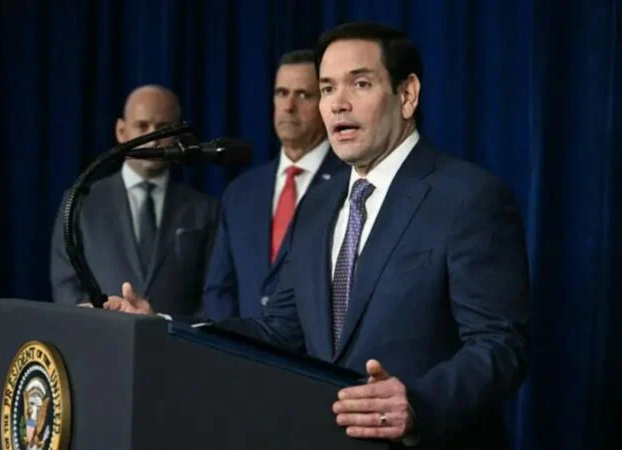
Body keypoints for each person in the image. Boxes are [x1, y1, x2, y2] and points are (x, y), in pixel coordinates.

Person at [103, 23, 530, 448]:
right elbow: (279, 330)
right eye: (327, 88)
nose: (339, 104)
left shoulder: (468, 198)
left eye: (360, 84)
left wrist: (420, 404)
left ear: (407, 95)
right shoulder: (317, 205)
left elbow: (499, 345)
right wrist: (164, 327)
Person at [50, 84, 220, 318]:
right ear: (121, 131)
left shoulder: (205, 209)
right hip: (102, 338)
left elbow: (213, 294)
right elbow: (66, 285)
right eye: (142, 126)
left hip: (175, 340)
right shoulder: (81, 202)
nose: (152, 141)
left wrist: (169, 329)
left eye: (162, 129)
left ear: (177, 137)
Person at [202, 49, 348, 320]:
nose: (288, 106)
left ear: (326, 103)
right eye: (282, 93)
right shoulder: (242, 191)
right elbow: (219, 290)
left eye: (303, 95)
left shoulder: (349, 184)